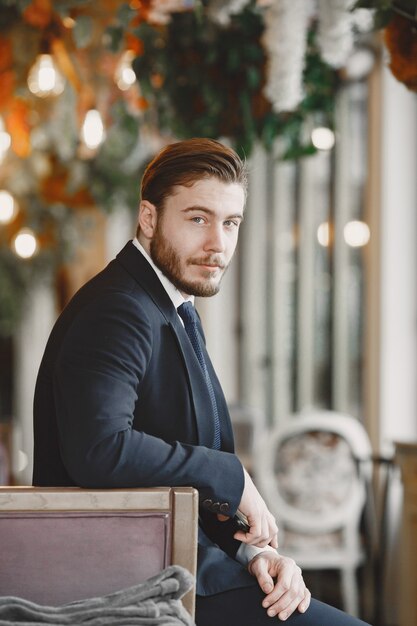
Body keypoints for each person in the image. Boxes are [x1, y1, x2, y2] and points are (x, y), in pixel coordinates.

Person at [33, 138, 371, 625]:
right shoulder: (119, 308)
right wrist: (228, 474)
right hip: (131, 580)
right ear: (149, 219)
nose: (218, 243)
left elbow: (176, 463)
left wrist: (256, 557)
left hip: (185, 567)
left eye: (230, 223)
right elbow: (99, 449)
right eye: (197, 218)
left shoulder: (170, 309)